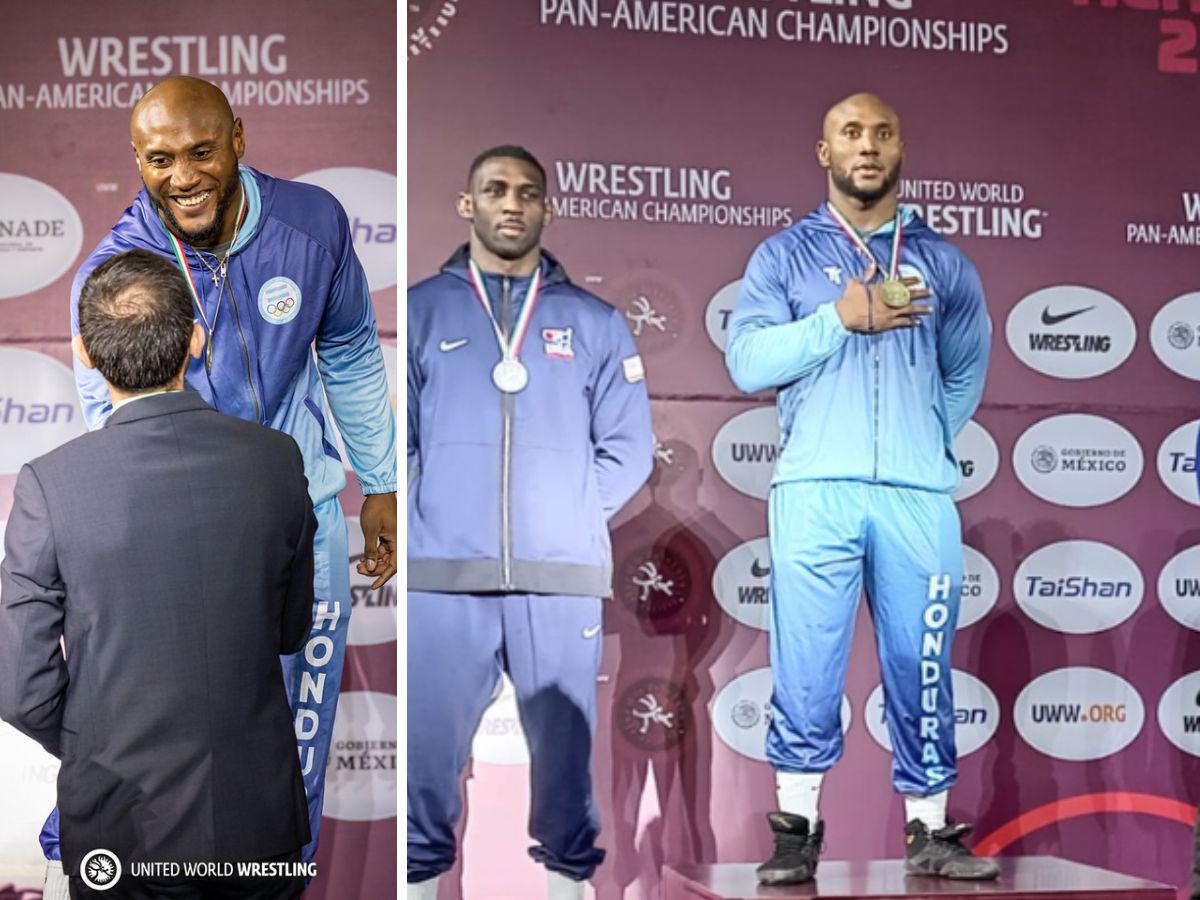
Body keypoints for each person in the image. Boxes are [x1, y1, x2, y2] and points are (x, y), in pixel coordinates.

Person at [38, 76, 397, 891]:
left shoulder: (314, 223)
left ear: (239, 136)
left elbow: (346, 353)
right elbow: (120, 433)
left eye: (201, 152)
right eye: (159, 160)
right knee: (164, 738)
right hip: (190, 539)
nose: (183, 176)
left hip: (303, 512)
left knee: (294, 741)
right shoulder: (114, 271)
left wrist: (379, 483)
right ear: (136, 159)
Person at [724, 93, 995, 883]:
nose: (866, 146)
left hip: (915, 494)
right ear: (825, 151)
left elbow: (965, 371)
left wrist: (922, 439)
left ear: (901, 147)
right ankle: (797, 830)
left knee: (923, 664)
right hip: (816, 490)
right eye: (851, 133)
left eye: (881, 133)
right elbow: (748, 364)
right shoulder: (782, 256)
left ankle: (931, 831)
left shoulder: (945, 262)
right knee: (807, 666)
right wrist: (837, 320)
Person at [0, 250, 314, 899]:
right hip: (256, 817)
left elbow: (21, 688)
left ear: (83, 352)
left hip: (121, 824)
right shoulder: (276, 462)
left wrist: (97, 744)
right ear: (196, 339)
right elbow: (291, 630)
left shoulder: (50, 485)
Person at [406, 145, 654, 900]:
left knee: (564, 768)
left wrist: (567, 512)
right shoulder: (421, 310)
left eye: (527, 192)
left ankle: (567, 888)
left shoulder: (596, 322)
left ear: (548, 209)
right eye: (495, 189)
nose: (511, 203)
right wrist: (444, 508)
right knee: (427, 765)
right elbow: (394, 442)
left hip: (560, 580)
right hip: (443, 578)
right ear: (467, 204)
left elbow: (629, 450)